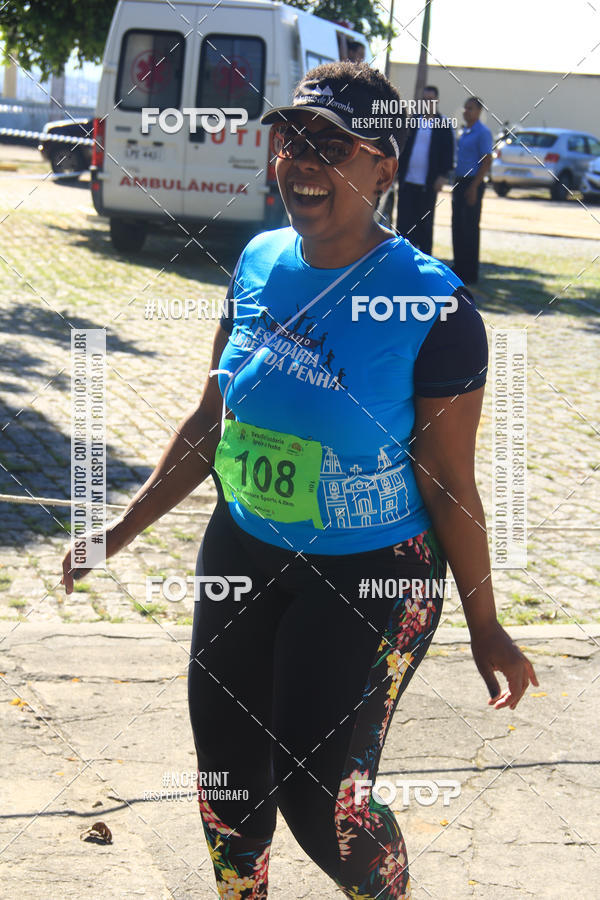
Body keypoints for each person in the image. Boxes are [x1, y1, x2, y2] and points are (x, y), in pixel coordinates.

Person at [62, 62, 538, 899]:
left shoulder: (434, 306)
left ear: (385, 168)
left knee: (323, 802)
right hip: (243, 544)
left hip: (372, 573)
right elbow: (213, 419)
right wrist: (118, 531)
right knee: (230, 781)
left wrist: (486, 623)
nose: (300, 161)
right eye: (289, 140)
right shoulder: (257, 260)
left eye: (330, 143)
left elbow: (450, 480)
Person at [395, 85, 454, 255]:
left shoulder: (443, 125)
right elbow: (402, 148)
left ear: (437, 101)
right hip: (408, 182)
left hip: (428, 185)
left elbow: (448, 153)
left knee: (425, 225)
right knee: (404, 223)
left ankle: (425, 259)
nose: (427, 103)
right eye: (425, 99)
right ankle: (402, 257)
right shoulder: (412, 121)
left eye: (431, 99)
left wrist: (442, 176)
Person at [451, 96, 493, 285]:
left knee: (469, 227)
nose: (466, 112)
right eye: (465, 108)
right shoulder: (464, 131)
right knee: (457, 225)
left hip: (472, 182)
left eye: (470, 109)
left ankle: (470, 271)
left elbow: (486, 160)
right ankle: (459, 267)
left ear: (479, 112)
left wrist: (474, 187)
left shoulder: (482, 132)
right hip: (459, 181)